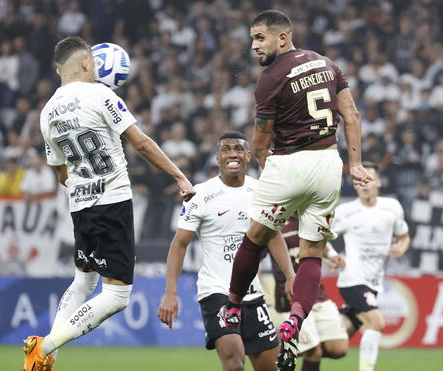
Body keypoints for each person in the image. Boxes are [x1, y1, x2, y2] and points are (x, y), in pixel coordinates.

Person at [22, 36, 195, 371]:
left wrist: (84, 186)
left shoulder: (46, 114)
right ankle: (45, 347)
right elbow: (141, 144)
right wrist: (179, 177)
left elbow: (61, 173)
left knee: (83, 280)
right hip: (112, 203)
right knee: (117, 295)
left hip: (79, 205)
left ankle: (46, 360)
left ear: (60, 69)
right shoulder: (101, 94)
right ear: (87, 63)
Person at [219, 10, 372, 371]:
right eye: (252, 39)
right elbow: (351, 116)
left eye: (260, 38)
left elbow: (260, 138)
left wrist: (262, 162)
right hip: (328, 165)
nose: (253, 45)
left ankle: (232, 306)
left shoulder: (269, 78)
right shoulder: (328, 64)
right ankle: (298, 319)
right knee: (313, 253)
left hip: (288, 163)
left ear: (282, 38)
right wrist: (356, 164)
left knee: (255, 239)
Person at [158, 131, 295, 371]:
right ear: (218, 158)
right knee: (234, 363)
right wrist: (171, 292)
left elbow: (273, 236)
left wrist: (291, 276)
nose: (233, 153)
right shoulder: (199, 195)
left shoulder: (262, 191)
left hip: (253, 295)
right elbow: (179, 244)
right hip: (217, 291)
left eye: (239, 149)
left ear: (248, 156)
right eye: (226, 149)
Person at [330, 162, 410, 371]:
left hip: (374, 282)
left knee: (336, 340)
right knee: (376, 323)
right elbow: (321, 237)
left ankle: (297, 348)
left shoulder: (392, 207)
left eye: (369, 179)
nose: (364, 184)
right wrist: (331, 255)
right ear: (355, 185)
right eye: (360, 180)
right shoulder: (345, 211)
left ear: (378, 182)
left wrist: (401, 248)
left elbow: (404, 236)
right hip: (352, 279)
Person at [270, 215, 349, 371]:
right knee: (313, 352)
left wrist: (332, 255)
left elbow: (321, 241)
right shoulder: (274, 222)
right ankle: (272, 354)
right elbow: (254, 255)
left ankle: (284, 351)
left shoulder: (312, 217)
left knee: (338, 348)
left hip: (318, 293)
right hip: (291, 297)